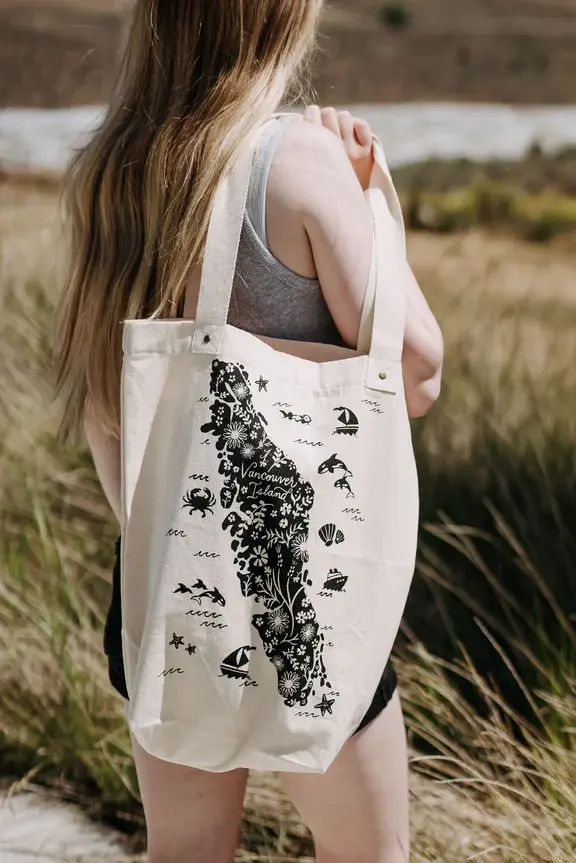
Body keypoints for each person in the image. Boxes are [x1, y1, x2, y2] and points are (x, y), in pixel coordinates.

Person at [55, 2, 443, 861]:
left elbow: (102, 394)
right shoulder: (297, 159)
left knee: (187, 849)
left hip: (166, 570)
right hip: (300, 586)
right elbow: (418, 372)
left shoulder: (110, 169)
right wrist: (369, 201)